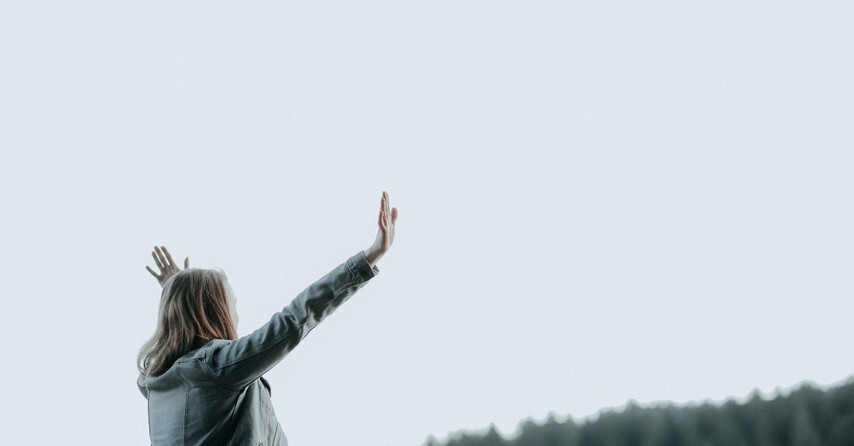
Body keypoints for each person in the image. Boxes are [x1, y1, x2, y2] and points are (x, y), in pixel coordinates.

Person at [137, 191, 399, 446]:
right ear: (214, 311)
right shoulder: (221, 367)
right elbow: (297, 316)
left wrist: (178, 290)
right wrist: (370, 257)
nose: (236, 315)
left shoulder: (156, 386)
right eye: (232, 305)